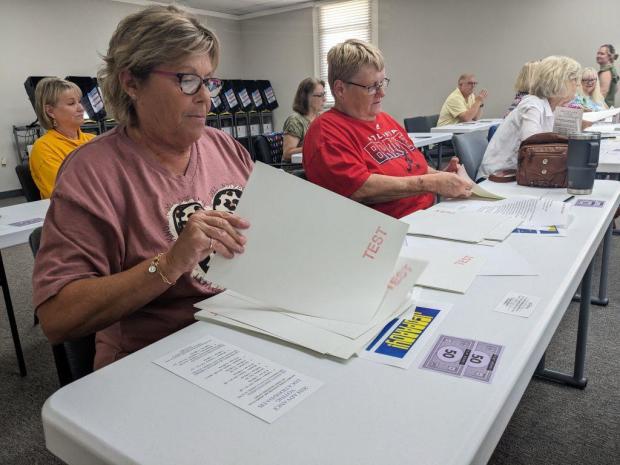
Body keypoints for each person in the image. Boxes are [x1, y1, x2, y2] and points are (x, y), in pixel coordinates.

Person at [33, 5, 252, 370]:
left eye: (209, 81)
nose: (205, 97)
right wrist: (169, 263)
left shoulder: (223, 146)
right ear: (131, 82)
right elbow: (57, 316)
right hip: (155, 357)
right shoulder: (93, 172)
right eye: (186, 80)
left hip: (242, 331)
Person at [303, 39, 472, 219]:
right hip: (387, 233)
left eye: (382, 83)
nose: (382, 93)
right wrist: (431, 183)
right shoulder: (326, 132)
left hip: (428, 215)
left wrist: (444, 177)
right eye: (371, 87)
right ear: (340, 89)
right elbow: (361, 188)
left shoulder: (385, 119)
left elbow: (413, 167)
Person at [478, 55, 581, 179]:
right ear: (559, 81)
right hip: (497, 178)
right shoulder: (532, 104)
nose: (578, 84)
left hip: (523, 173)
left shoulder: (550, 107)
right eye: (574, 79)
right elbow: (533, 149)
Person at [29, 78, 96, 198]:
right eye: (71, 103)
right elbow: (67, 194)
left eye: (79, 101)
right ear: (50, 111)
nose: (81, 108)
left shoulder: (94, 140)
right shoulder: (44, 148)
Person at [282, 77, 326, 162]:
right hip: (297, 171)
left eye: (324, 94)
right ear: (306, 97)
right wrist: (315, 147)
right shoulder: (295, 121)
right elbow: (287, 154)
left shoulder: (321, 118)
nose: (324, 99)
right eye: (320, 95)